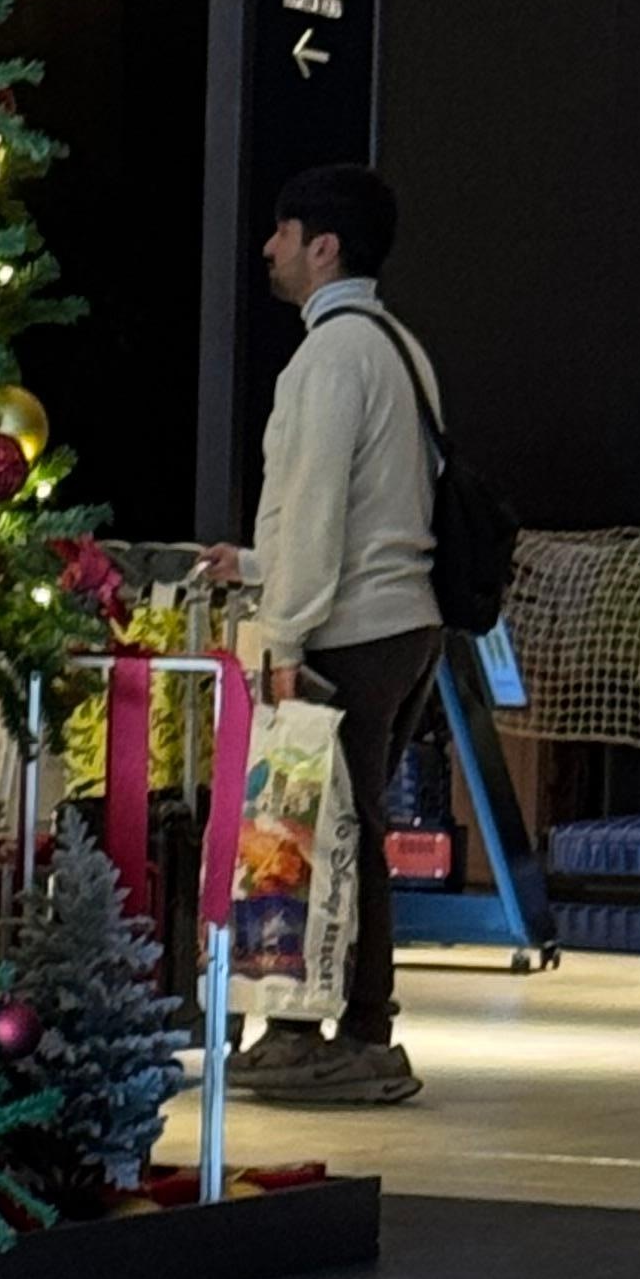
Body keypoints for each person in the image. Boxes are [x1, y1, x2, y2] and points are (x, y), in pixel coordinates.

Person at [198, 163, 443, 1109]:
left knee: (304, 827)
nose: (270, 249)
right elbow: (373, 507)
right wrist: (258, 565)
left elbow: (314, 511)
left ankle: (323, 1033)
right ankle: (339, 1028)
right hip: (401, 623)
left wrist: (286, 636)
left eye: (284, 232)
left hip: (346, 632)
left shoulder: (330, 356)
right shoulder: (399, 347)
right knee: (350, 827)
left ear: (324, 247)